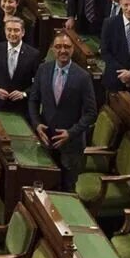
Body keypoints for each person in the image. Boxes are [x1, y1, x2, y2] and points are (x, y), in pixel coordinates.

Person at [28, 32, 96, 190]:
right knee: (44, 186)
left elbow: (91, 113)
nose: (62, 50)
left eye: (67, 47)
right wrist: (37, 124)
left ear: (73, 49)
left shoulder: (83, 77)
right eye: (58, 47)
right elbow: (33, 100)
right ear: (52, 49)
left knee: (67, 189)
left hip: (71, 146)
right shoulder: (43, 69)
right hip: (47, 140)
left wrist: (70, 133)